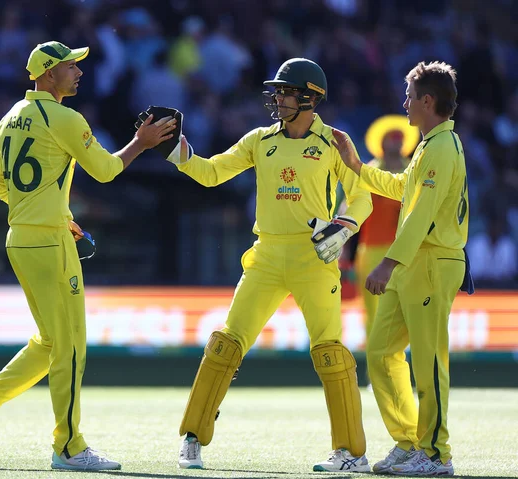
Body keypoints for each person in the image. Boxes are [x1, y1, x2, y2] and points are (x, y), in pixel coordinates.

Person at [0, 41, 176, 471]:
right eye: (72, 66)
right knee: (70, 349)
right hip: (48, 243)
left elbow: (3, 187)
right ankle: (69, 446)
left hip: (22, 237)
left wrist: (56, 216)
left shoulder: (8, 119)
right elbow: (108, 170)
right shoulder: (65, 118)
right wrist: (142, 142)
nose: (79, 73)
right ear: (49, 73)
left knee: (51, 342)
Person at [158, 58, 374, 471]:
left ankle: (351, 453)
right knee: (226, 342)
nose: (277, 98)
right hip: (267, 256)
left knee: (330, 351)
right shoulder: (260, 139)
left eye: (285, 92)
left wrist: (345, 226)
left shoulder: (334, 142)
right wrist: (175, 147)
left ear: (309, 97)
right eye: (276, 91)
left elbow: (361, 193)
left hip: (314, 258)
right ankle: (192, 437)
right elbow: (213, 172)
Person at [331, 61, 473, 476]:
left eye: (409, 97)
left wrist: (388, 263)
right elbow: (403, 189)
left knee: (428, 360)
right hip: (417, 260)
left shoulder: (441, 147)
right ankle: (410, 441)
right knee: (380, 352)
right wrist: (358, 167)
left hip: (428, 260)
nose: (405, 104)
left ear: (427, 101)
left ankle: (435, 455)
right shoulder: (433, 145)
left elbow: (421, 215)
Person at [353, 115, 418, 386]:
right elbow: (353, 209)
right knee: (374, 316)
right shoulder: (370, 171)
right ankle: (375, 376)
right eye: (391, 138)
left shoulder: (412, 172)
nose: (396, 142)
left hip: (402, 253)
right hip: (371, 252)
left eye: (399, 137)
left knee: (404, 315)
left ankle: (399, 374)